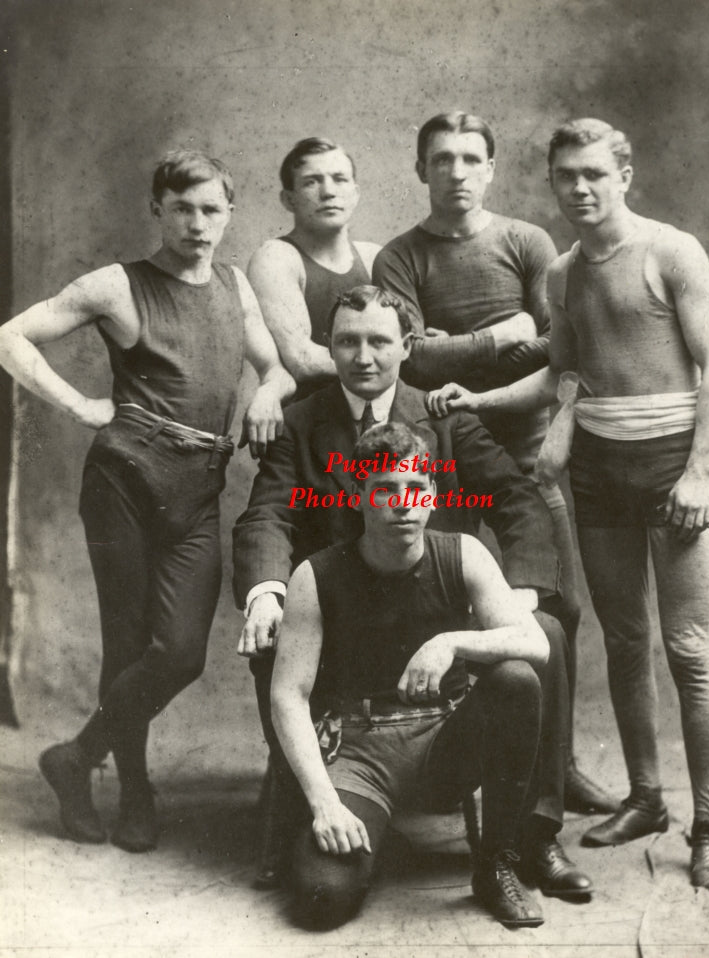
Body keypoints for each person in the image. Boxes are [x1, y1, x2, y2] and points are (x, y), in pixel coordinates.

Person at [426, 118, 709, 893]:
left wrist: (699, 470)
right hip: (599, 472)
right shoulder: (562, 273)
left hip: (673, 466)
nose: (579, 188)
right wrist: (489, 396)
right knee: (624, 643)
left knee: (688, 649)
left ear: (623, 174)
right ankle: (645, 798)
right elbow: (562, 373)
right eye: (566, 176)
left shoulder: (672, 251)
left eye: (594, 174)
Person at [233, 284, 592, 899]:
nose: (363, 357)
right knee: (272, 633)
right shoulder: (302, 422)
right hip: (342, 623)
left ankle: (533, 833)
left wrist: (524, 591)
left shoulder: (445, 415)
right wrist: (267, 589)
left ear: (405, 346)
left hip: (438, 608)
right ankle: (303, 804)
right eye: (347, 341)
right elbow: (268, 514)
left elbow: (515, 498)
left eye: (378, 341)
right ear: (330, 347)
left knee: (548, 633)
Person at [0, 150, 294, 852]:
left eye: (212, 210)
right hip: (123, 483)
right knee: (127, 641)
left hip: (198, 489)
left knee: (181, 651)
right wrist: (78, 405)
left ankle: (75, 756)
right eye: (183, 208)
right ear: (156, 209)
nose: (198, 223)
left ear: (229, 214)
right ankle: (133, 787)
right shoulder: (117, 284)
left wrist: (269, 396)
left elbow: (275, 364)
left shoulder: (234, 284)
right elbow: (11, 335)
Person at [373, 111, 616, 816]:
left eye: (469, 158)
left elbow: (553, 346)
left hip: (527, 454)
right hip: (441, 457)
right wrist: (497, 334)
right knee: (447, 604)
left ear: (491, 168)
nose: (455, 172)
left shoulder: (525, 241)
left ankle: (556, 765)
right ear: (421, 170)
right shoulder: (398, 256)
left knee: (553, 610)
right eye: (441, 159)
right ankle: (455, 763)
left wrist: (469, 347)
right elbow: (410, 356)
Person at [271, 421, 551, 929]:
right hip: (360, 754)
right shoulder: (317, 575)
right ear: (358, 496)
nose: (403, 504)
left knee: (515, 678)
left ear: (433, 494)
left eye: (416, 489)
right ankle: (377, 838)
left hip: (446, 741)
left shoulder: (463, 553)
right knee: (321, 898)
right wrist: (324, 803)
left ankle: (495, 864)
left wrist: (451, 641)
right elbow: (289, 696)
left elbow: (536, 642)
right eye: (385, 491)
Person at [246, 137, 379, 405]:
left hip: (373, 420)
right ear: (288, 199)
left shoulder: (375, 256)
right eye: (311, 181)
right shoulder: (276, 256)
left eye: (339, 179)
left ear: (356, 192)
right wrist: (392, 359)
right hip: (307, 428)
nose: (328, 192)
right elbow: (303, 361)